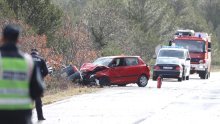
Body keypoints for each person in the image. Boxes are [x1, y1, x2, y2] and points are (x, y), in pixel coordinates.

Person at [0, 24, 44, 124]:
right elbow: (38, 90)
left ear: (2, 38)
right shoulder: (28, 61)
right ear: (18, 40)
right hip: (22, 114)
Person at [31, 48, 48, 120]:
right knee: (38, 100)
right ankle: (40, 117)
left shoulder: (26, 59)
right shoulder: (41, 59)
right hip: (38, 82)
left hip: (28, 82)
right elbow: (46, 71)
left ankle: (27, 118)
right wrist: (41, 76)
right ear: (37, 53)